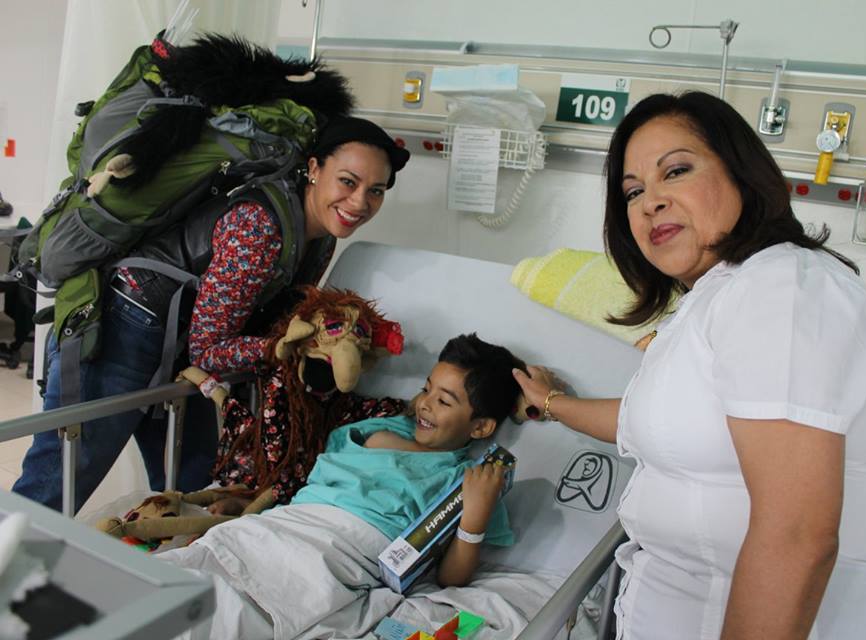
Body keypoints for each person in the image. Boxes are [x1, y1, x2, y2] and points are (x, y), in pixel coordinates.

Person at [513, 92, 866, 639]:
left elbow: (796, 536)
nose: (650, 203)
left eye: (676, 171)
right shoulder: (715, 299)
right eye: (633, 191)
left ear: (743, 175)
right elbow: (649, 421)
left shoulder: (782, 290)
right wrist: (552, 403)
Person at [13, 116, 410, 512]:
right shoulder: (260, 227)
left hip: (178, 344)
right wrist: (281, 349)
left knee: (199, 487)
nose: (360, 202)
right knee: (56, 482)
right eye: (348, 182)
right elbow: (210, 350)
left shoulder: (319, 239)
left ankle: (175, 552)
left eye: (375, 191)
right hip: (127, 325)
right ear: (314, 169)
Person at [160, 333, 520, 640]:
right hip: (276, 527)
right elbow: (306, 481)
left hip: (335, 555)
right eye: (426, 389)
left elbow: (450, 577)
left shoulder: (464, 480)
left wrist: (474, 519)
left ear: (481, 427)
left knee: (232, 612)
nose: (425, 404)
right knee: (170, 580)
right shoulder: (378, 427)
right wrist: (251, 502)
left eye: (443, 401)